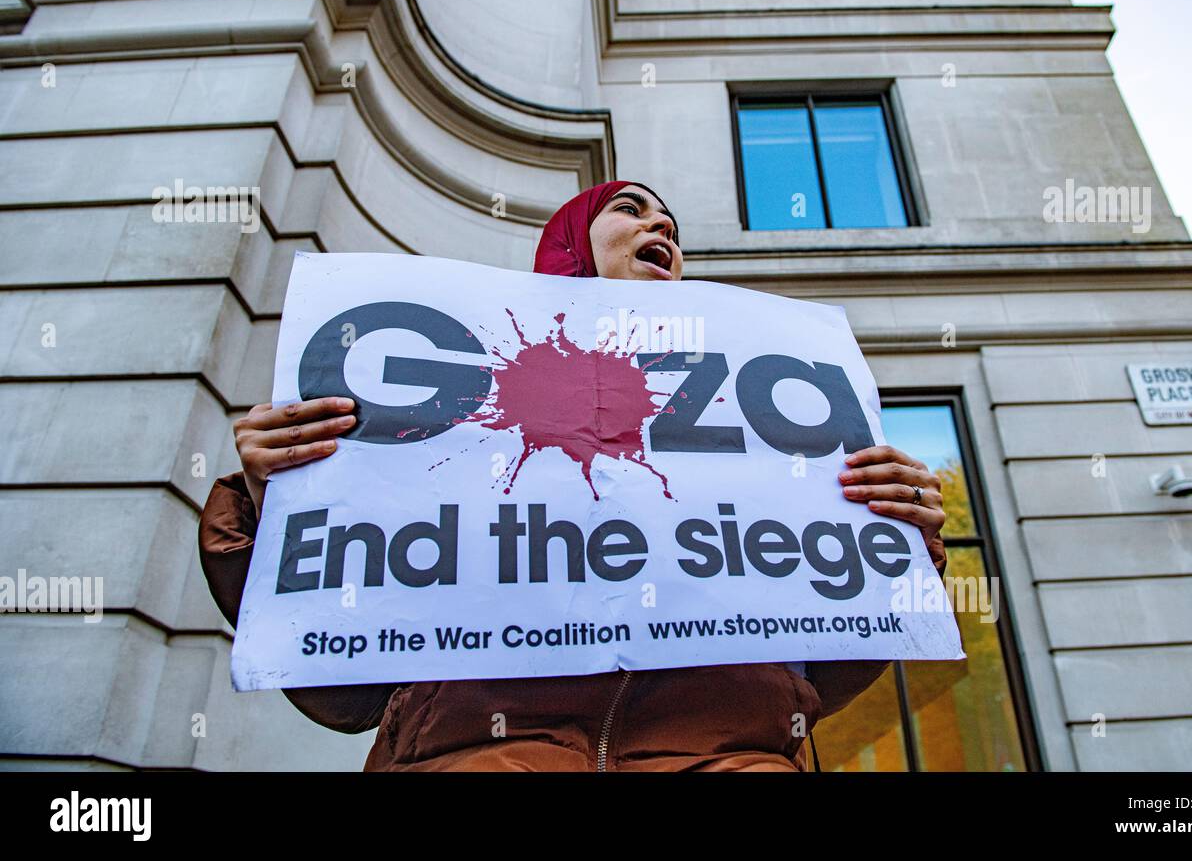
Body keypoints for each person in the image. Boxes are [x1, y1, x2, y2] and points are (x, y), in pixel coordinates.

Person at [198, 179, 948, 771]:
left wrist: (899, 540)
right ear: (571, 243)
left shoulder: (762, 419)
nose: (663, 230)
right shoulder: (452, 402)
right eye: (632, 210)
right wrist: (279, 497)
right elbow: (342, 691)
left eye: (675, 229)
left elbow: (823, 674)